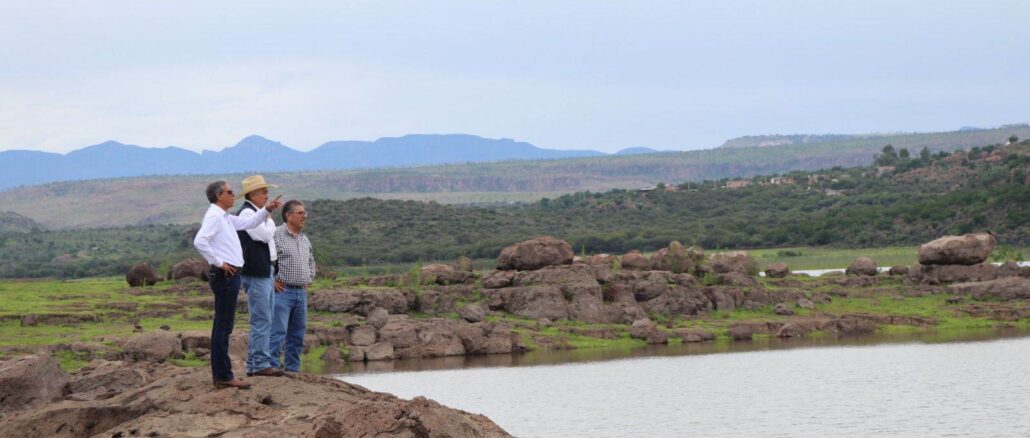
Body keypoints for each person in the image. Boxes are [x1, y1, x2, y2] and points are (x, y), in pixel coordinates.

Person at [194, 180, 281, 389]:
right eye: (230, 192)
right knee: (223, 326)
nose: (234, 195)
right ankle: (223, 375)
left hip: (231, 274)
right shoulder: (215, 216)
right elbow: (200, 241)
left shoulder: (224, 216)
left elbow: (248, 224)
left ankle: (224, 374)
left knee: (225, 325)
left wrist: (267, 210)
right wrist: (218, 262)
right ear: (219, 196)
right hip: (225, 274)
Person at [235, 175, 284, 378]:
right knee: (261, 319)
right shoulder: (248, 212)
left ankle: (259, 363)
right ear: (252, 194)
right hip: (256, 272)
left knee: (266, 318)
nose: (266, 195)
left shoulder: (257, 212)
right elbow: (264, 236)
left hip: (264, 270)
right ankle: (258, 364)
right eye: (263, 192)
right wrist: (270, 219)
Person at [271, 200, 315, 373]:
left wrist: (308, 278)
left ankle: (293, 370)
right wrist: (271, 280)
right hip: (282, 291)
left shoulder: (305, 239)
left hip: (300, 292)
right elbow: (265, 260)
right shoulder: (275, 235)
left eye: (305, 212)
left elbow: (311, 262)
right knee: (277, 333)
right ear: (288, 215)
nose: (305, 216)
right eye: (300, 213)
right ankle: (271, 368)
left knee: (297, 335)